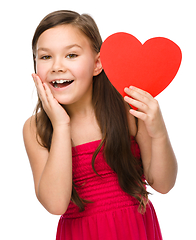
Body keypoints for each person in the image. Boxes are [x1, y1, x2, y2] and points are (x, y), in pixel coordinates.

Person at [23, 10, 177, 240]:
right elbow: (56, 204)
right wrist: (61, 126)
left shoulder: (127, 108)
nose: (57, 66)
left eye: (71, 55)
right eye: (45, 57)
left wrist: (159, 132)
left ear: (97, 64)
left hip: (136, 231)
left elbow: (164, 184)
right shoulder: (36, 128)